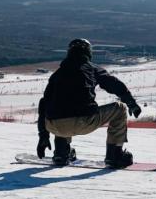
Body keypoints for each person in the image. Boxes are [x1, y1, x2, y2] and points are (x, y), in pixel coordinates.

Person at [36, 38, 143, 168]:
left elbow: (43, 104)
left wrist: (43, 136)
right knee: (119, 108)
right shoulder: (92, 68)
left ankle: (60, 153)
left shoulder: (56, 75)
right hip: (84, 121)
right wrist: (131, 103)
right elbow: (114, 85)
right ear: (88, 53)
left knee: (60, 106)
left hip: (54, 126)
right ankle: (114, 155)